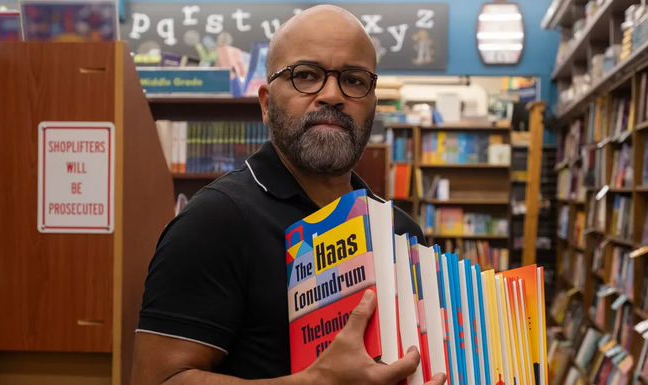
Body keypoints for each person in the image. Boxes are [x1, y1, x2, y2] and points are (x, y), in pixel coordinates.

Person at [130, 5, 446, 385]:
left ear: (372, 103)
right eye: (306, 75)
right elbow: (157, 379)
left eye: (354, 80)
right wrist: (317, 382)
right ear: (266, 103)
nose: (333, 95)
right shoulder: (214, 221)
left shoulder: (400, 232)